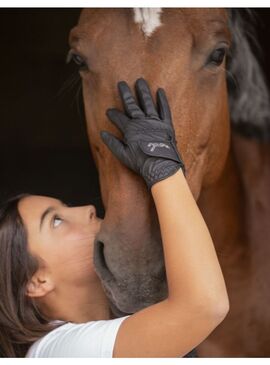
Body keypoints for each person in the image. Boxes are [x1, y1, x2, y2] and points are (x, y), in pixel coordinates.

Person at [0, 78, 229, 358]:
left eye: (65, 206)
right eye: (55, 221)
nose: (87, 208)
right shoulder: (54, 352)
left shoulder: (113, 330)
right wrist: (162, 165)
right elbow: (205, 306)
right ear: (36, 281)